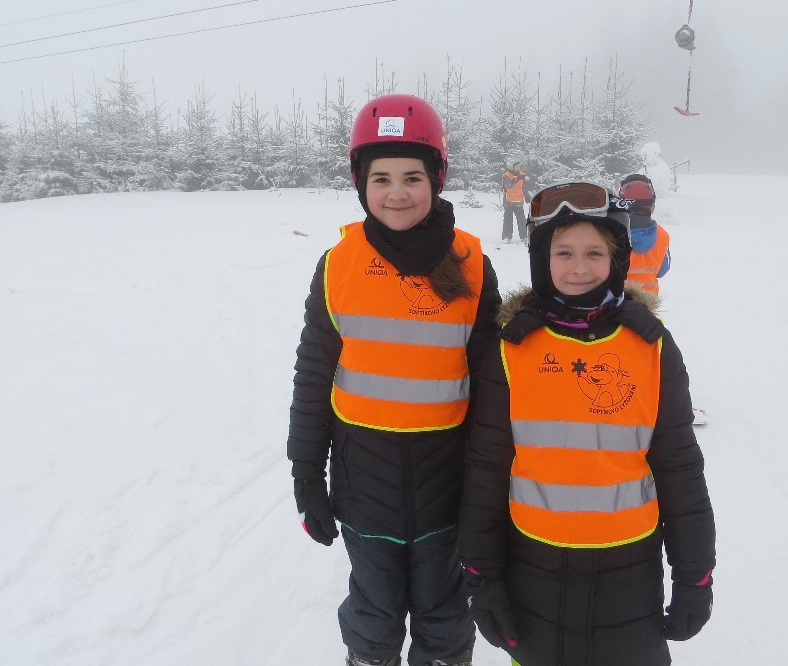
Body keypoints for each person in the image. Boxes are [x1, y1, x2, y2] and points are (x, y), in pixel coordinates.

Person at [458, 181, 716, 666]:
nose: (579, 267)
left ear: (617, 260)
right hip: (531, 568)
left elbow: (680, 469)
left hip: (629, 572)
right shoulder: (511, 349)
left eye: (594, 253)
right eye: (564, 252)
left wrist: (695, 575)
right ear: (542, 259)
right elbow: (485, 471)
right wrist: (482, 578)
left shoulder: (652, 347)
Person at [287, 93, 501, 666]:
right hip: (364, 481)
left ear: (437, 179)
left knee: (444, 607)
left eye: (413, 177)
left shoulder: (471, 264)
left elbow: (492, 386)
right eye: (381, 178)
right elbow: (313, 378)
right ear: (361, 183)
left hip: (448, 482)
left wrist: (491, 484)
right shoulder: (338, 265)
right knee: (374, 607)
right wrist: (307, 476)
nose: (397, 193)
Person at [619, 173, 671, 295]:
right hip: (648, 301)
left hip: (616, 299)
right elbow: (663, 270)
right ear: (651, 205)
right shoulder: (662, 235)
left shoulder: (611, 231)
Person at [500, 162, 529, 245]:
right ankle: (507, 237)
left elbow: (524, 187)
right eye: (516, 166)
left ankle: (524, 237)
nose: (518, 168)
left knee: (522, 220)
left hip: (519, 203)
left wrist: (527, 195)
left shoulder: (522, 175)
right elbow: (508, 185)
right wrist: (517, 178)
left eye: (519, 166)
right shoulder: (506, 175)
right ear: (512, 167)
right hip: (508, 202)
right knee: (508, 220)